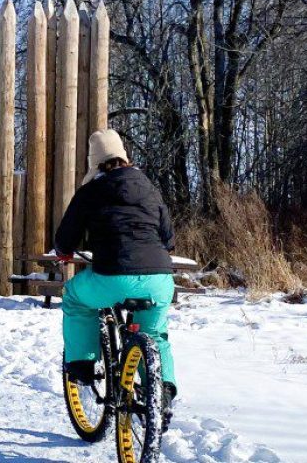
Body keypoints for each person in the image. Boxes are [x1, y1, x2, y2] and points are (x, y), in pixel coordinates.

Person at [54, 129, 178, 416]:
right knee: (156, 335)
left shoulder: (91, 191)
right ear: (125, 157)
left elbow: (65, 238)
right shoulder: (149, 187)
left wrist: (64, 253)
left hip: (113, 276)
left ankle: (82, 364)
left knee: (74, 296)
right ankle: (162, 391)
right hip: (159, 280)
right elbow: (169, 238)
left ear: (96, 164)